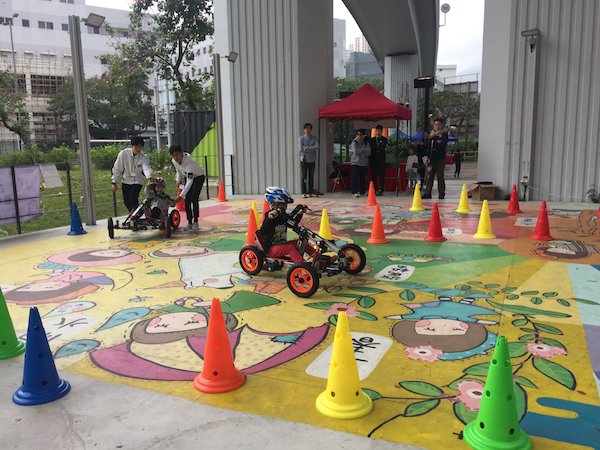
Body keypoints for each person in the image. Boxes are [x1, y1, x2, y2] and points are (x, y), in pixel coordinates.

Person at [258, 186, 315, 263]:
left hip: (281, 245)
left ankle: (318, 258)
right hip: (270, 249)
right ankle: (302, 264)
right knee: (290, 248)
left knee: (300, 242)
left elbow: (293, 223)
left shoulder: (282, 216)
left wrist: (299, 213)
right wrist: (277, 211)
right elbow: (270, 216)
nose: (285, 207)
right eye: (283, 205)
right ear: (274, 204)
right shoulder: (270, 215)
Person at [111, 136, 153, 212]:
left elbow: (146, 168)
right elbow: (117, 168)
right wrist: (114, 181)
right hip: (126, 180)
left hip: (138, 180)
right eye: (137, 146)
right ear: (132, 146)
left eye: (140, 147)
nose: (138, 149)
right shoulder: (123, 154)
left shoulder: (144, 157)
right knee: (126, 202)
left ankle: (135, 215)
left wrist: (149, 177)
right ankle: (134, 214)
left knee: (133, 199)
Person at [169, 145, 205, 230]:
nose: (175, 157)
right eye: (173, 155)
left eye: (177, 154)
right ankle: (189, 221)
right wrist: (177, 179)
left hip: (198, 177)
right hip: (188, 176)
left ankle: (196, 220)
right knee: (187, 199)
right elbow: (178, 170)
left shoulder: (190, 162)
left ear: (182, 153)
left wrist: (181, 196)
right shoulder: (174, 161)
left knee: (193, 198)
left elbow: (190, 181)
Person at [422, 118, 449, 199]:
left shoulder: (444, 134)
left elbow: (442, 145)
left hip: (440, 158)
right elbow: (426, 144)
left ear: (441, 125)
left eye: (439, 124)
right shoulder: (431, 134)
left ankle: (441, 193)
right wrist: (432, 138)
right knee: (429, 176)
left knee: (440, 176)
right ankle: (427, 192)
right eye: (435, 124)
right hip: (431, 158)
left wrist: (436, 143)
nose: (437, 126)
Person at [298, 122, 319, 198]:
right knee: (304, 176)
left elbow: (317, 146)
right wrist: (311, 148)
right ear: (304, 130)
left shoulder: (314, 138)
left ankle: (310, 192)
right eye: (306, 128)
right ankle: (304, 192)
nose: (308, 130)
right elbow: (301, 149)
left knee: (311, 176)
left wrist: (307, 148)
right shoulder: (301, 138)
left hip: (312, 160)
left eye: (309, 128)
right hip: (304, 160)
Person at [350, 129, 371, 198]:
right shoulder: (354, 142)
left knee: (363, 178)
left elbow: (369, 152)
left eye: (361, 135)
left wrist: (362, 152)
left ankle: (362, 191)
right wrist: (363, 151)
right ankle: (354, 192)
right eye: (358, 134)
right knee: (355, 178)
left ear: (363, 136)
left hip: (363, 163)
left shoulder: (366, 143)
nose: (359, 136)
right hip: (355, 163)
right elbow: (355, 151)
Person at [369, 125, 387, 195]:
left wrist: (377, 150)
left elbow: (382, 148)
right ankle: (373, 190)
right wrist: (376, 150)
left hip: (381, 161)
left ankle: (381, 189)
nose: (378, 132)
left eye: (379, 131)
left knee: (381, 176)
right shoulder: (372, 140)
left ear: (382, 131)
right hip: (373, 161)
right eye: (377, 131)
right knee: (373, 176)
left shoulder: (384, 139)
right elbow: (371, 149)